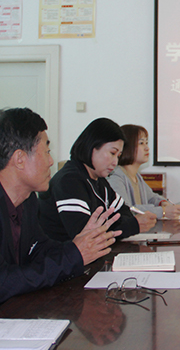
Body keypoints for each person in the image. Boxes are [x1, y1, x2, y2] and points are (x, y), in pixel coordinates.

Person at [0, 108, 122, 303]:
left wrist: (80, 245)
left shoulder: (28, 201)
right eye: (47, 152)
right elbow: (4, 282)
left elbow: (41, 249)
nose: (51, 162)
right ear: (20, 159)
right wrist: (74, 255)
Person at [39, 118, 156, 242]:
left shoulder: (99, 181)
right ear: (92, 147)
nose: (115, 162)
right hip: (61, 253)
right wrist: (132, 225)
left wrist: (123, 225)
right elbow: (86, 235)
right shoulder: (69, 181)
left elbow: (123, 212)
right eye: (112, 153)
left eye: (118, 156)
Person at [107, 124, 180, 219]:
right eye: (141, 143)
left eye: (146, 143)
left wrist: (163, 203)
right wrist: (163, 211)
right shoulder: (115, 176)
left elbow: (152, 198)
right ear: (126, 147)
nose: (147, 148)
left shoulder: (136, 177)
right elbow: (126, 209)